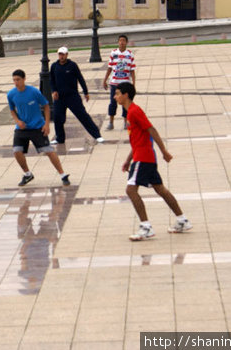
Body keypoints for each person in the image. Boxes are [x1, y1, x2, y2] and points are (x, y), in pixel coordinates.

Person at [114, 83, 192, 241]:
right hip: (144, 156)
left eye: (117, 93)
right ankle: (182, 220)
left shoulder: (135, 112)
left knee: (131, 190)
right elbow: (138, 139)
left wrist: (164, 151)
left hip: (143, 157)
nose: (115, 97)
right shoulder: (130, 113)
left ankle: (146, 227)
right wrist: (128, 160)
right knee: (160, 189)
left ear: (126, 95)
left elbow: (152, 130)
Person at [7, 69, 70, 187]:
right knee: (16, 151)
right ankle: (27, 174)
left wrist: (46, 124)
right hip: (21, 128)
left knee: (49, 151)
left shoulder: (34, 92)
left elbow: (46, 106)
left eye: (18, 80)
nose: (16, 82)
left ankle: (62, 174)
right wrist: (17, 121)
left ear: (24, 79)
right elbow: (12, 109)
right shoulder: (11, 94)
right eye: (14, 80)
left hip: (37, 127)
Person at [50, 46, 104, 145]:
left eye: (63, 54)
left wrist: (85, 92)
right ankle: (59, 138)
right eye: (59, 54)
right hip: (59, 98)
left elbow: (80, 78)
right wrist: (54, 91)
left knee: (83, 116)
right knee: (58, 118)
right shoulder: (54, 66)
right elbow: (51, 80)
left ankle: (97, 135)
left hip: (72, 96)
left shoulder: (72, 65)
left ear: (67, 55)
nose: (61, 56)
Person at [103, 34, 136, 130]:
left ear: (126, 42)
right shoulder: (113, 53)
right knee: (113, 103)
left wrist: (133, 84)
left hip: (125, 83)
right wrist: (105, 80)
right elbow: (109, 68)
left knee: (126, 103)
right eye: (120, 40)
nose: (121, 42)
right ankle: (111, 122)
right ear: (118, 42)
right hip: (114, 83)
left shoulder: (130, 54)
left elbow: (132, 70)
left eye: (123, 41)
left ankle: (126, 123)